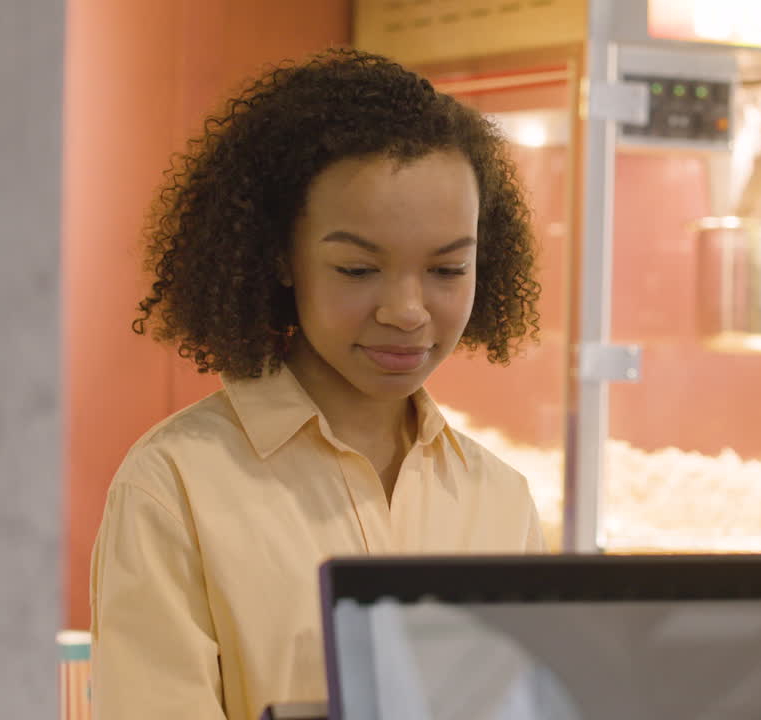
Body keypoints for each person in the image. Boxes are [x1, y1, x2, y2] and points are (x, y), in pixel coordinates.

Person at [88, 48, 545, 720]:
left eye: (448, 270)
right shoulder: (174, 487)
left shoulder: (500, 499)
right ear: (280, 256)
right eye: (358, 270)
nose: (407, 310)